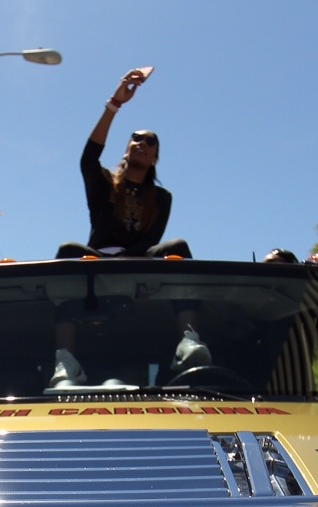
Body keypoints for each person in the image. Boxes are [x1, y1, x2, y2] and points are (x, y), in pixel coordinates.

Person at [52, 69, 200, 386]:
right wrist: (114, 105)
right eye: (136, 139)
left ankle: (188, 340)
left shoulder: (161, 197)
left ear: (156, 157)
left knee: (179, 247)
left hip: (140, 259)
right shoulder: (105, 184)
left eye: (150, 142)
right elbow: (88, 159)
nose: (142, 144)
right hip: (97, 260)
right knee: (67, 251)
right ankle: (66, 360)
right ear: (126, 148)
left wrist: (127, 261)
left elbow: (152, 239)